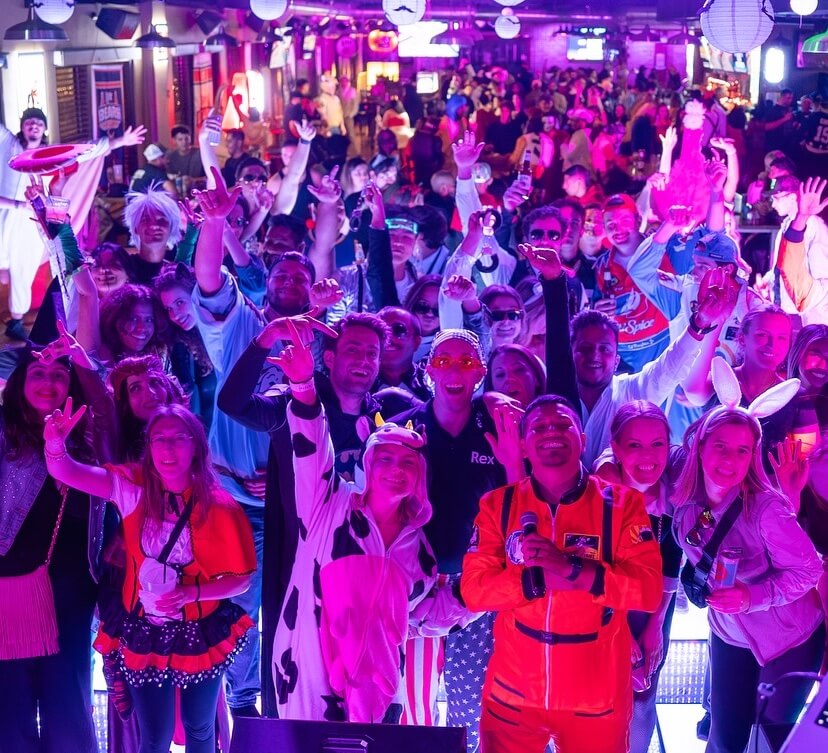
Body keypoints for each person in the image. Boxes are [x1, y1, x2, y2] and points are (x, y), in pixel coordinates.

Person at [270, 317, 473, 722]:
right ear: (367, 463)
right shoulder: (328, 504)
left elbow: (428, 616)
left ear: (420, 474)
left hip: (380, 690)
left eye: (406, 462)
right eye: (384, 459)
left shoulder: (421, 550)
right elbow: (312, 448)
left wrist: (481, 595)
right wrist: (304, 387)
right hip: (310, 673)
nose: (395, 469)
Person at [43, 402, 256, 753]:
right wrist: (54, 444)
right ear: (149, 446)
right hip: (144, 630)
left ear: (197, 446)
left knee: (200, 728)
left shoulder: (220, 506)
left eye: (178, 438)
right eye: (159, 439)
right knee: (154, 737)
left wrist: (193, 593)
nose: (168, 448)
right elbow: (66, 472)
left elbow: (241, 580)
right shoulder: (132, 487)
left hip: (200, 631)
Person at [461, 394, 663, 753]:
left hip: (596, 697)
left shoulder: (623, 505)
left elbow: (646, 591)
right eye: (538, 427)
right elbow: (475, 592)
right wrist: (533, 580)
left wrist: (572, 570)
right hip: (513, 696)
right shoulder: (497, 506)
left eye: (562, 424)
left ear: (582, 439)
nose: (550, 431)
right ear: (522, 446)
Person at [673, 360, 824, 753]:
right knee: (725, 737)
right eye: (721, 445)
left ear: (752, 454)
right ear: (701, 444)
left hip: (792, 639)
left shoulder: (766, 509)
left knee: (768, 740)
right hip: (730, 634)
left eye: (742, 450)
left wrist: (751, 598)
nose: (730, 458)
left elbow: (809, 569)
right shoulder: (686, 505)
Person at [0, 334, 112, 753]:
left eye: (59, 376)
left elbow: (107, 412)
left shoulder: (88, 436)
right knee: (8, 710)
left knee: (69, 704)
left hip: (69, 589)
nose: (48, 383)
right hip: (7, 593)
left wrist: (80, 359)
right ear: (18, 382)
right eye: (38, 374)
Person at [594, 402, 684, 753]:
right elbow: (593, 569)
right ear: (615, 448)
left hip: (653, 610)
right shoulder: (599, 496)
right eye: (634, 445)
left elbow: (672, 562)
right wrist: (617, 626)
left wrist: (655, 626)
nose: (648, 456)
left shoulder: (673, 495)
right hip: (602, 611)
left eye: (657, 444)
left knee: (644, 692)